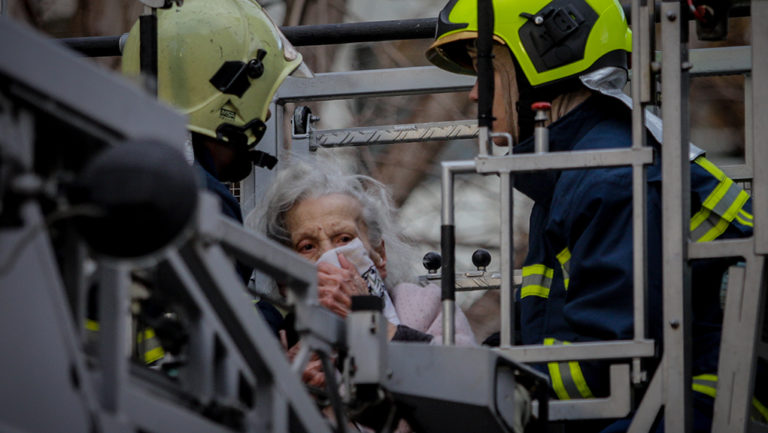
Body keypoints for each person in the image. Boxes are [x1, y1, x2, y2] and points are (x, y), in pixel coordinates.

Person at [426, 0, 765, 431]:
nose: (475, 93)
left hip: (691, 411)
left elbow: (606, 361)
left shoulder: (607, 175)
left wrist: (477, 387)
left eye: (485, 68)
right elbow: (546, 335)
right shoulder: (577, 169)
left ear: (543, 59)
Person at [121, 0, 306, 334]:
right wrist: (288, 316)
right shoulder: (203, 199)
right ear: (230, 93)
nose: (265, 116)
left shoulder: (117, 169)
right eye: (262, 97)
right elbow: (227, 337)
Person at [252, 159, 475, 359]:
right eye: (307, 246)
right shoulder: (279, 339)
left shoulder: (429, 305)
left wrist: (370, 323)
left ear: (380, 256)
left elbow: (466, 379)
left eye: (344, 239)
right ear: (284, 279)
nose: (331, 257)